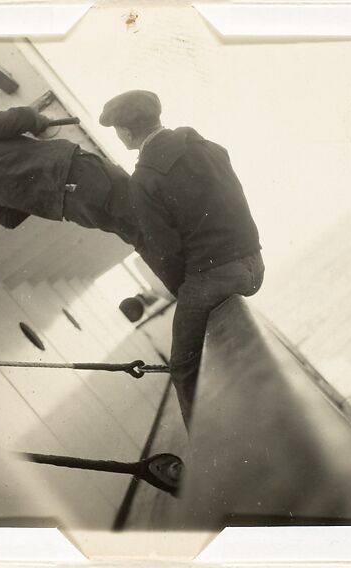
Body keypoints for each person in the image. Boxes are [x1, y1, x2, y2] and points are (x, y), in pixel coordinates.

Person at [100, 90, 265, 429]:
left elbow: (166, 255)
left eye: (117, 129)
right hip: (254, 265)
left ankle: (213, 458)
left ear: (128, 133)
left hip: (216, 278)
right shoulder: (208, 147)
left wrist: (187, 292)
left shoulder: (144, 180)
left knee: (183, 368)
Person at [0, 102, 142, 248]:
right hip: (72, 170)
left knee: (137, 236)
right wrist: (39, 122)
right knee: (145, 207)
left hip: (69, 207)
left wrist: (33, 191)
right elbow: (21, 117)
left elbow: (8, 219)